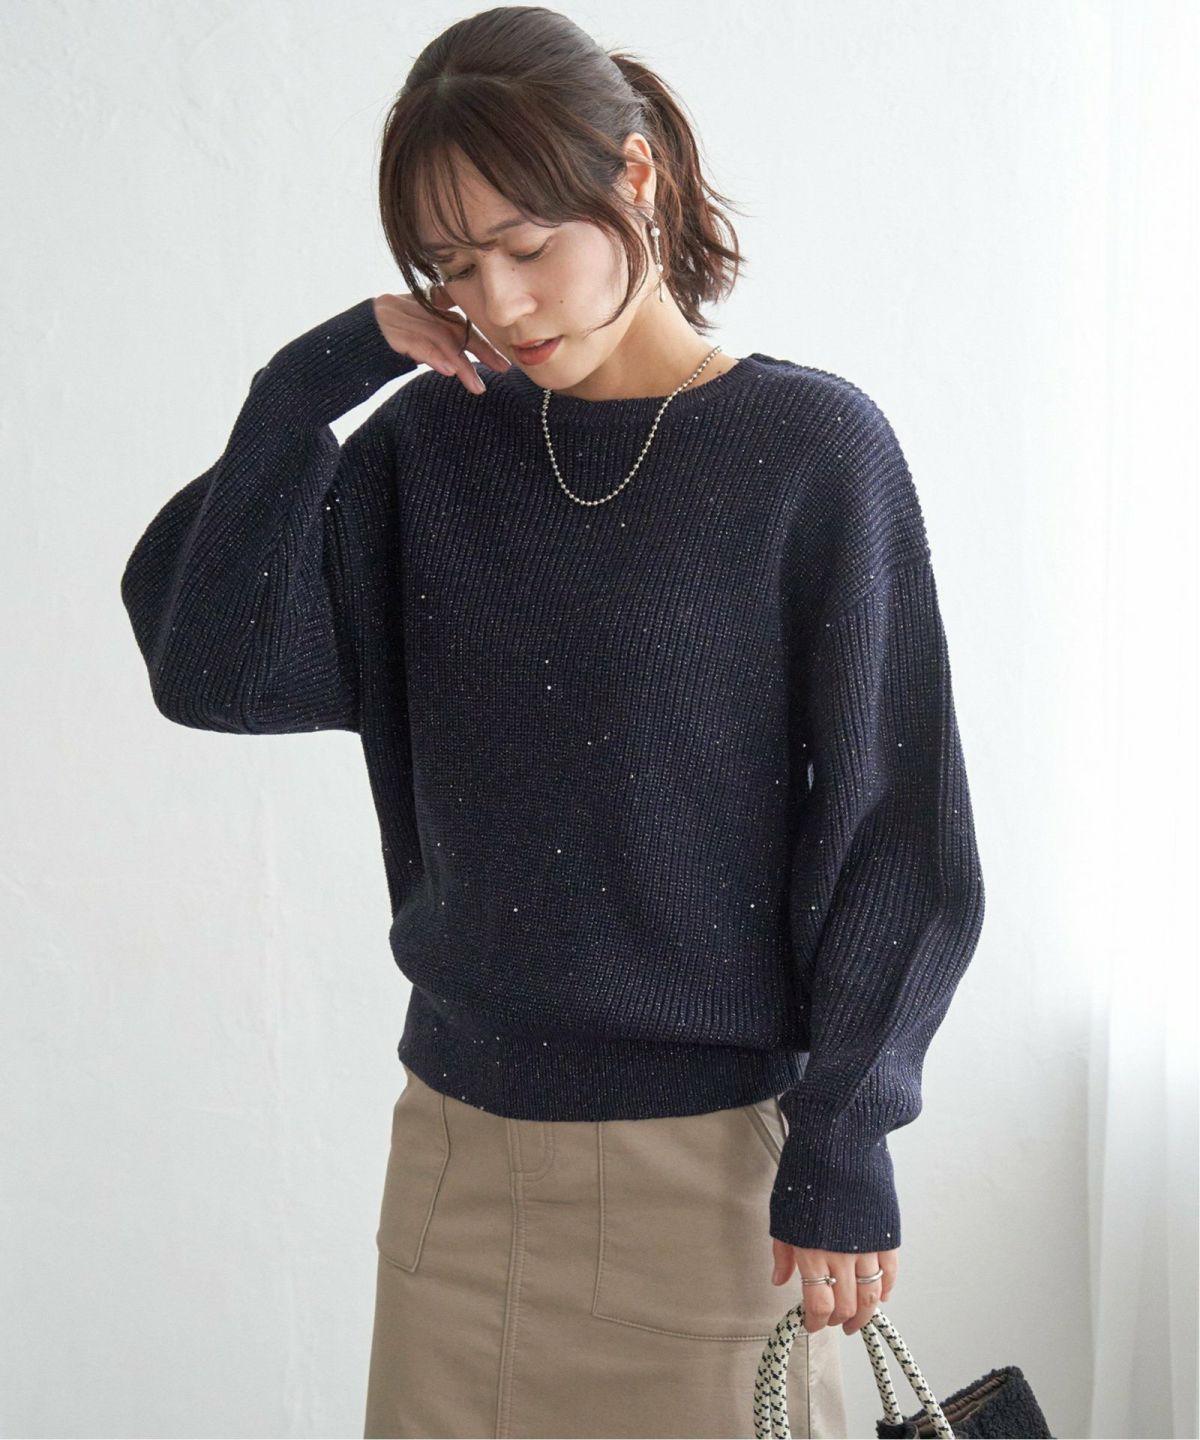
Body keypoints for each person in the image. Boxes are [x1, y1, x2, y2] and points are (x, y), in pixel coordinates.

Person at [119, 7, 985, 1438]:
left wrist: (848, 1128)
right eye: (454, 268)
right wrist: (307, 387)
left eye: (526, 247)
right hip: (454, 1163)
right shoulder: (428, 446)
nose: (503, 302)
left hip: (706, 1186)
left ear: (635, 178)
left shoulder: (808, 452)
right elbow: (209, 666)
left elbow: (898, 826)